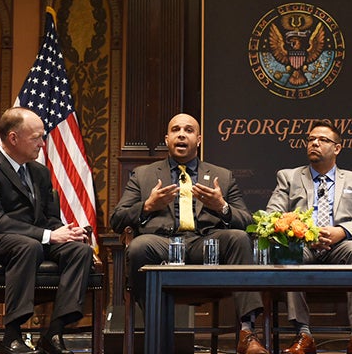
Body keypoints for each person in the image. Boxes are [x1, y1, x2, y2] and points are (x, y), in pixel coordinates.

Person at [110, 113, 268, 354]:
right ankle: (155, 329)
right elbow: (117, 220)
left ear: (199, 139)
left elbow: (247, 221)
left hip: (205, 245)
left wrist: (221, 207)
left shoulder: (221, 176)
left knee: (238, 238)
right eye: (175, 130)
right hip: (161, 243)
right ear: (167, 138)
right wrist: (147, 206)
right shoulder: (143, 175)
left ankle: (247, 332)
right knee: (140, 246)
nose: (181, 134)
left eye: (188, 130)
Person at [0, 107, 94, 354]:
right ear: (13, 138)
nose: (43, 144)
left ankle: (54, 333)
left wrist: (65, 231)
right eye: (36, 137)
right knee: (28, 245)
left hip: (33, 242)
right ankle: (11, 336)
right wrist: (48, 235)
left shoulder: (40, 172)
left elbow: (49, 219)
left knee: (79, 251)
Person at [265, 120, 352, 354]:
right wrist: (305, 233)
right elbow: (272, 216)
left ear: (337, 148)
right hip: (303, 245)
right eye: (310, 139)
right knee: (288, 254)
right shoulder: (289, 177)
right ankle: (303, 334)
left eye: (322, 140)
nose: (314, 143)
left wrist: (342, 231)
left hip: (340, 245)